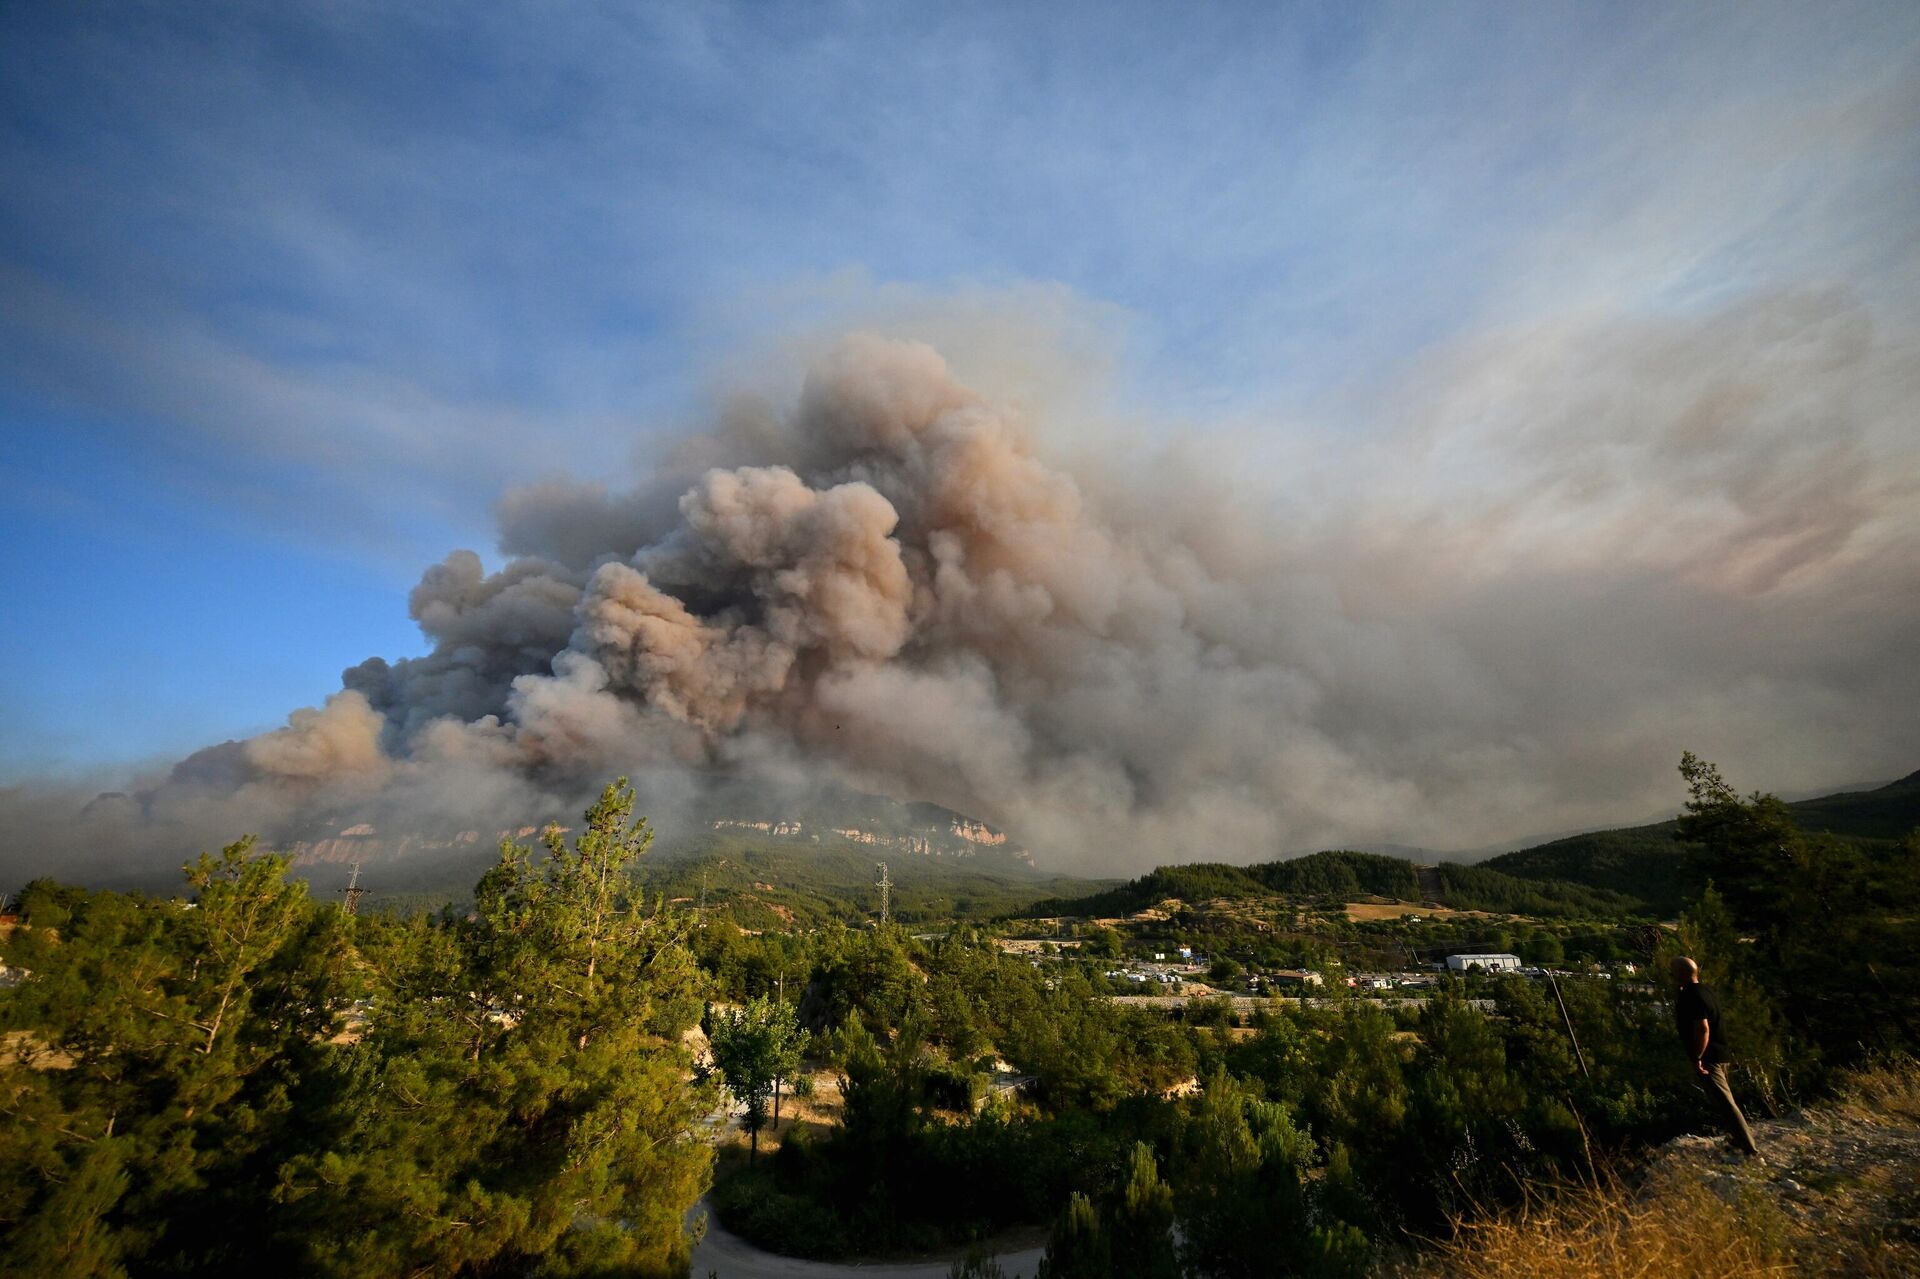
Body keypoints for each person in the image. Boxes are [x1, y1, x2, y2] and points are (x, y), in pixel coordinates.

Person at [1670, 955, 1760, 1156]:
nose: (1671, 975)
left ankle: (1749, 1150)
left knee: (1725, 1103)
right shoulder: (1706, 991)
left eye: (1673, 971)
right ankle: (1735, 1142)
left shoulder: (1691, 996)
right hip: (1720, 1053)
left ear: (1681, 973)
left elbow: (1703, 1029)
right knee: (1721, 1101)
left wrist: (1698, 1056)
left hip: (1709, 1057)